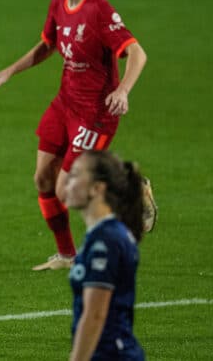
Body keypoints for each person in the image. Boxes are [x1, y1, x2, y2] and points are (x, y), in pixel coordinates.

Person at [0, 0, 147, 270]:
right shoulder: (58, 3)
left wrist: (123, 91)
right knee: (42, 178)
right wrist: (10, 71)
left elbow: (136, 52)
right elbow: (47, 45)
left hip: (95, 112)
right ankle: (66, 254)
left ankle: (131, 189)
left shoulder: (99, 9)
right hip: (65, 104)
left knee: (64, 190)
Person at [65, 150, 145, 360]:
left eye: (75, 175)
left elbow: (95, 315)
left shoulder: (106, 240)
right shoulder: (104, 234)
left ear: (97, 188)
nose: (67, 183)